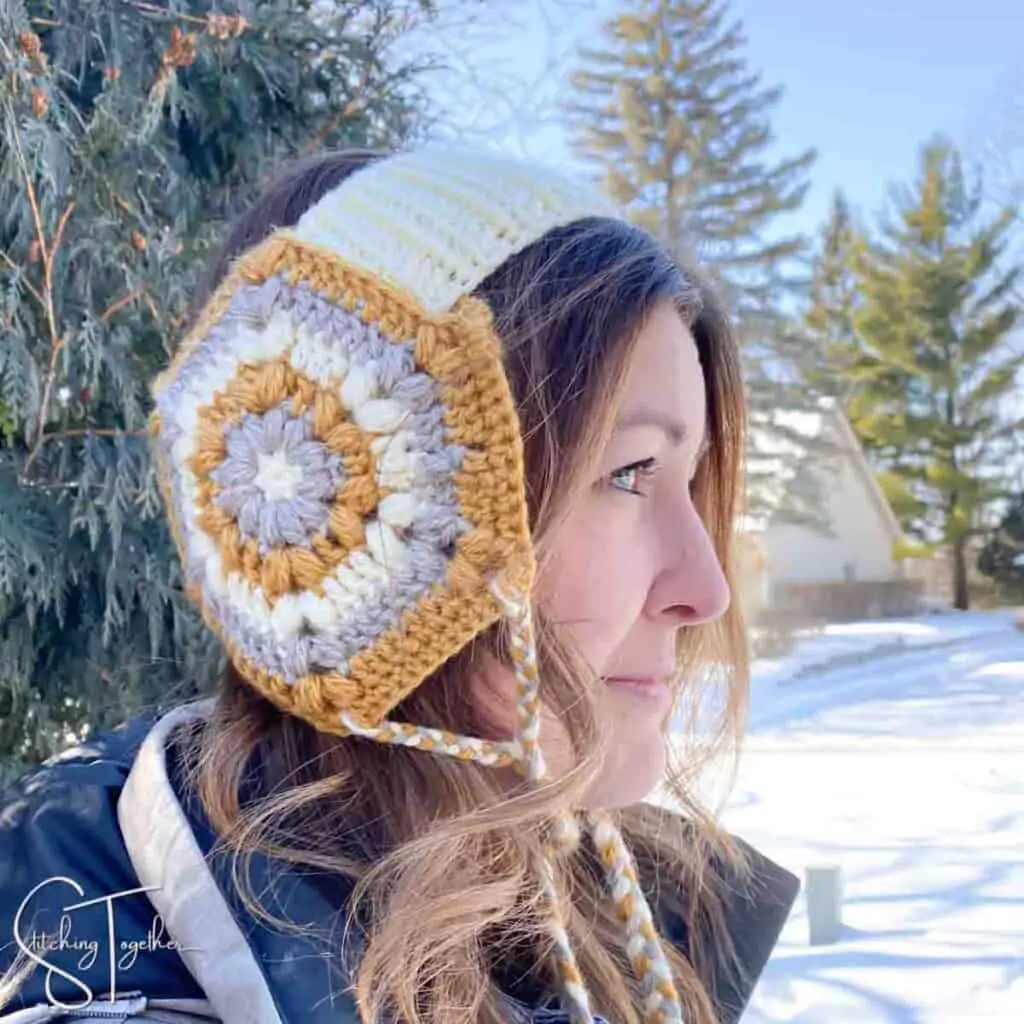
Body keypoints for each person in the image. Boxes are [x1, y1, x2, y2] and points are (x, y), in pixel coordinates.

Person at [0, 145, 799, 1024]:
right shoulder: (108, 976)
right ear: (382, 525)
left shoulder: (617, 925)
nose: (706, 588)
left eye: (692, 479)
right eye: (630, 472)